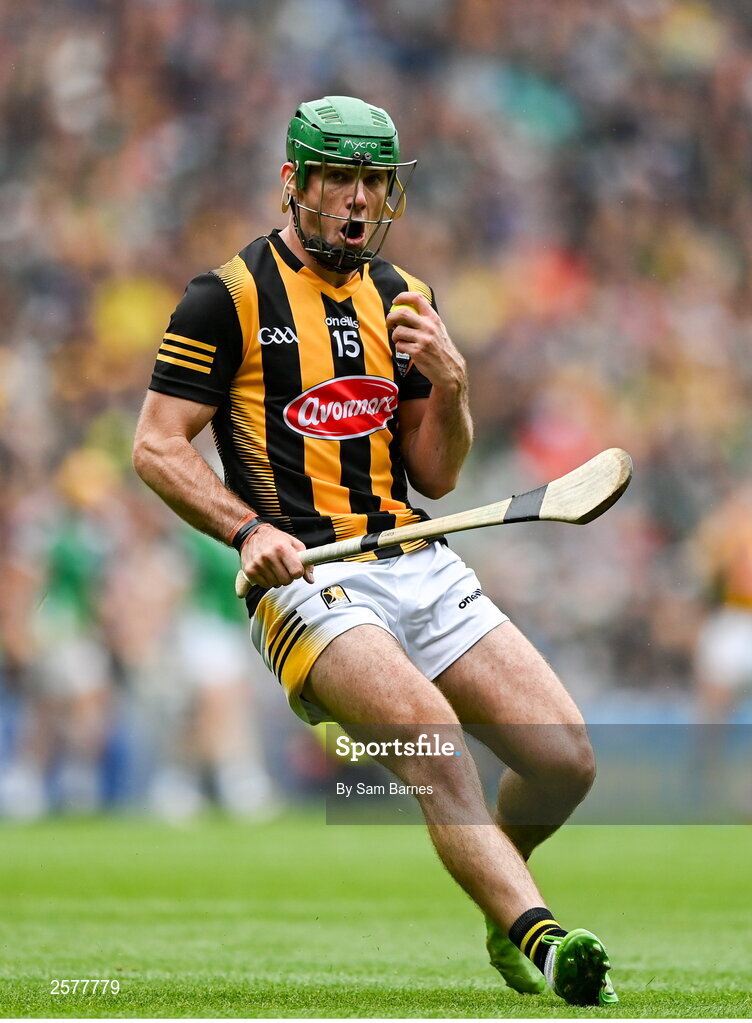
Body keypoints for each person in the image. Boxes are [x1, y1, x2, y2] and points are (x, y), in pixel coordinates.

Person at [133, 95, 617, 1007]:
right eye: (340, 180)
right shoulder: (225, 297)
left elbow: (435, 472)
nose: (358, 201)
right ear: (295, 184)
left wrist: (454, 382)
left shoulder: (406, 298)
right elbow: (156, 446)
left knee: (566, 759)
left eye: (373, 182)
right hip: (308, 583)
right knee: (432, 739)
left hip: (417, 557)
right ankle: (544, 939)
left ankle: (500, 894)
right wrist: (250, 530)